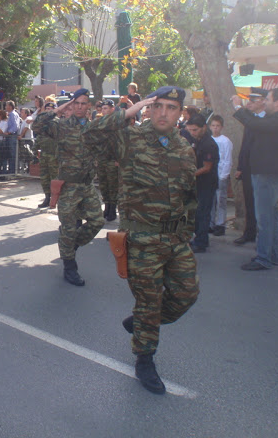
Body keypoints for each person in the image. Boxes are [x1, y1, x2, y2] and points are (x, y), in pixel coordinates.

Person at [84, 86, 199, 395]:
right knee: (149, 301)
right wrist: (126, 113)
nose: (163, 112)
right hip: (143, 237)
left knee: (187, 295)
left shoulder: (184, 147)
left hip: (175, 238)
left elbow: (188, 194)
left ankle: (140, 323)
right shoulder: (130, 139)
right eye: (157, 105)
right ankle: (144, 358)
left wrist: (187, 232)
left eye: (170, 107)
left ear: (179, 113)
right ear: (149, 108)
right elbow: (90, 135)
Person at [32, 89, 105, 286]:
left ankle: (69, 245)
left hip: (87, 185)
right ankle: (69, 267)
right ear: (72, 105)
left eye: (83, 103)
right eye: (76, 103)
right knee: (69, 227)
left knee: (97, 221)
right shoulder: (61, 126)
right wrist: (60, 108)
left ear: (88, 105)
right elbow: (38, 125)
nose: (80, 107)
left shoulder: (93, 128)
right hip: (68, 186)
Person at [231, 88, 278, 271]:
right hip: (265, 173)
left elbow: (255, 125)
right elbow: (256, 123)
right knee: (271, 217)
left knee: (264, 218)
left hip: (268, 174)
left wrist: (238, 107)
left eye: (268, 99)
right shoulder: (276, 118)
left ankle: (263, 258)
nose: (264, 102)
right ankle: (274, 255)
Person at [233, 92, 266, 245]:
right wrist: (240, 166)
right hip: (248, 169)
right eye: (248, 100)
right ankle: (250, 232)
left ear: (263, 102)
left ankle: (262, 236)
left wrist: (238, 106)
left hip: (261, 169)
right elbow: (245, 146)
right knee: (249, 202)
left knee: (262, 205)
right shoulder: (252, 119)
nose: (250, 103)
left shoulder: (267, 120)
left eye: (253, 100)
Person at [184, 114, 219, 253]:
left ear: (204, 127)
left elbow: (207, 167)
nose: (192, 133)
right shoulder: (197, 140)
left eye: (195, 130)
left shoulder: (208, 144)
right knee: (196, 213)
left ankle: (201, 241)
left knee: (203, 213)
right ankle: (198, 238)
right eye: (190, 130)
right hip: (198, 183)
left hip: (206, 183)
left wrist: (189, 174)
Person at [94, 99, 119, 221]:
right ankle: (107, 206)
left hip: (112, 159)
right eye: (102, 108)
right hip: (101, 158)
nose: (103, 111)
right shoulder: (99, 122)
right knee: (103, 184)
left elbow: (121, 142)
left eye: (106, 108)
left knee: (112, 184)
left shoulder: (117, 123)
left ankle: (113, 209)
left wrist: (118, 158)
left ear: (112, 109)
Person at [208, 115, 233, 237]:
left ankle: (220, 223)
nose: (215, 128)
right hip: (210, 174)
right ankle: (211, 223)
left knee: (221, 200)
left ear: (221, 127)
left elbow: (227, 159)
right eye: (213, 126)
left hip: (221, 174)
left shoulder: (225, 141)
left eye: (217, 126)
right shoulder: (209, 139)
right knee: (211, 200)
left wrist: (224, 175)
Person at [35, 98, 59, 208]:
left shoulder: (57, 122)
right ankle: (47, 197)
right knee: (44, 178)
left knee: (55, 178)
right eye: (47, 108)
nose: (48, 110)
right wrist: (35, 149)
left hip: (54, 154)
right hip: (44, 154)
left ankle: (56, 199)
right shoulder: (42, 122)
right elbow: (38, 136)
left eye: (51, 109)